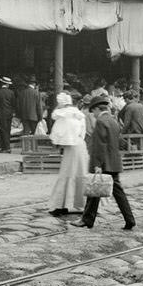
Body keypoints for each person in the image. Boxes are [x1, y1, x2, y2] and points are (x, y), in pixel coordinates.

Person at [77, 96, 136, 230]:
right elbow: (117, 141)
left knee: (94, 190)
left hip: (104, 163)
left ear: (98, 109)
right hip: (114, 162)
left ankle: (87, 219)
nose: (94, 115)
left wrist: (97, 164)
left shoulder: (101, 122)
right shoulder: (113, 121)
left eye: (94, 112)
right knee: (112, 193)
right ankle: (128, 219)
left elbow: (100, 145)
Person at [47, 88, 87, 216]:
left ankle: (61, 204)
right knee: (79, 174)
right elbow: (83, 133)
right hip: (80, 145)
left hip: (71, 147)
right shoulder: (79, 115)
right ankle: (81, 203)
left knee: (67, 174)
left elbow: (57, 133)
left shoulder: (63, 115)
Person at [119, 86, 143, 168]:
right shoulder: (140, 105)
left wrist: (121, 133)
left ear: (127, 99)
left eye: (124, 100)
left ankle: (134, 162)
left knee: (124, 143)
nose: (124, 101)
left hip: (136, 130)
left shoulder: (129, 107)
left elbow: (127, 123)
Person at [0, 76, 15, 155]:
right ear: (7, 85)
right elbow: (13, 103)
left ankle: (7, 147)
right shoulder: (11, 92)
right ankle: (2, 146)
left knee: (4, 129)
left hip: (2, 113)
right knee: (7, 129)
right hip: (9, 113)